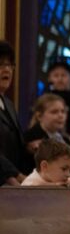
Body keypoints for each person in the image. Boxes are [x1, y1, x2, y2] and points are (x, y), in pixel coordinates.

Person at [25, 92, 70, 173]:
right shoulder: (31, 138)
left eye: (63, 111)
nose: (61, 115)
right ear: (39, 116)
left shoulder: (65, 139)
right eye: (54, 112)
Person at [0, 40, 31, 177]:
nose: (6, 69)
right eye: (0, 64)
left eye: (9, 65)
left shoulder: (9, 105)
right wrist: (16, 176)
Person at [45, 60, 70, 137]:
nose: (60, 79)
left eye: (63, 75)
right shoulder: (45, 100)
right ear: (49, 79)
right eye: (56, 75)